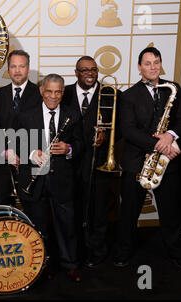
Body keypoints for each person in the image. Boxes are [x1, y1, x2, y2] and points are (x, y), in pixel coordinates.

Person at [114, 47, 181, 270]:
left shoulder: (173, 89)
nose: (153, 67)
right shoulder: (128, 96)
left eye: (156, 62)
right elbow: (128, 130)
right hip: (137, 161)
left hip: (166, 162)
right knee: (129, 211)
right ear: (139, 67)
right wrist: (161, 145)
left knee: (171, 212)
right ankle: (123, 253)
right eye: (147, 63)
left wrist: (170, 135)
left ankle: (176, 253)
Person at [15, 73, 84, 282]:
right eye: (49, 91)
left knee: (67, 225)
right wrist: (31, 153)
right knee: (38, 226)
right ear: (41, 91)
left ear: (63, 93)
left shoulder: (73, 114)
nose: (53, 96)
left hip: (62, 180)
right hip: (34, 179)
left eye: (58, 92)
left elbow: (81, 144)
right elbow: (15, 142)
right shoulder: (26, 115)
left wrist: (68, 148)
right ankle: (43, 264)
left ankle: (70, 264)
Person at [64, 56, 121, 268]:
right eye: (85, 70)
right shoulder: (64, 93)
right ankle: (74, 250)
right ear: (76, 72)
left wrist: (106, 135)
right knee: (73, 207)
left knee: (98, 209)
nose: (90, 73)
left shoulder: (111, 94)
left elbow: (122, 125)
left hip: (100, 163)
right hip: (70, 163)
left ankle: (96, 250)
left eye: (94, 69)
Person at [0, 50, 41, 206]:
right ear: (8, 69)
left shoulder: (40, 94)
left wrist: (24, 153)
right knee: (4, 211)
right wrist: (6, 152)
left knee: (30, 213)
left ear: (28, 68)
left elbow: (40, 130)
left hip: (30, 165)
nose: (17, 71)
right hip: (4, 165)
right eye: (13, 66)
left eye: (21, 66)